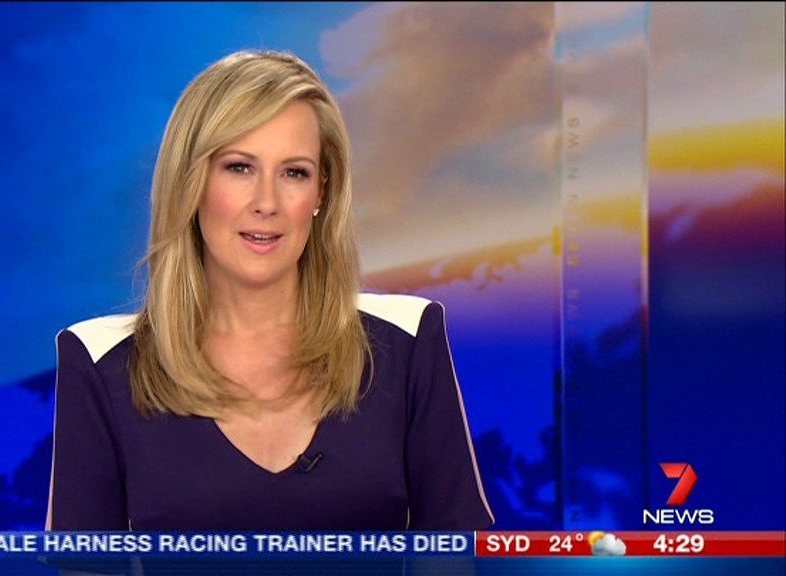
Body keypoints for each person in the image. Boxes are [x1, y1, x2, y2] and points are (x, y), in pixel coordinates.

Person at [47, 49, 493, 532]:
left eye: (294, 172)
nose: (267, 202)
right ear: (191, 182)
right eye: (239, 167)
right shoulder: (100, 363)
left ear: (321, 192)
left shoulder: (407, 342)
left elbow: (453, 555)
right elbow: (88, 565)